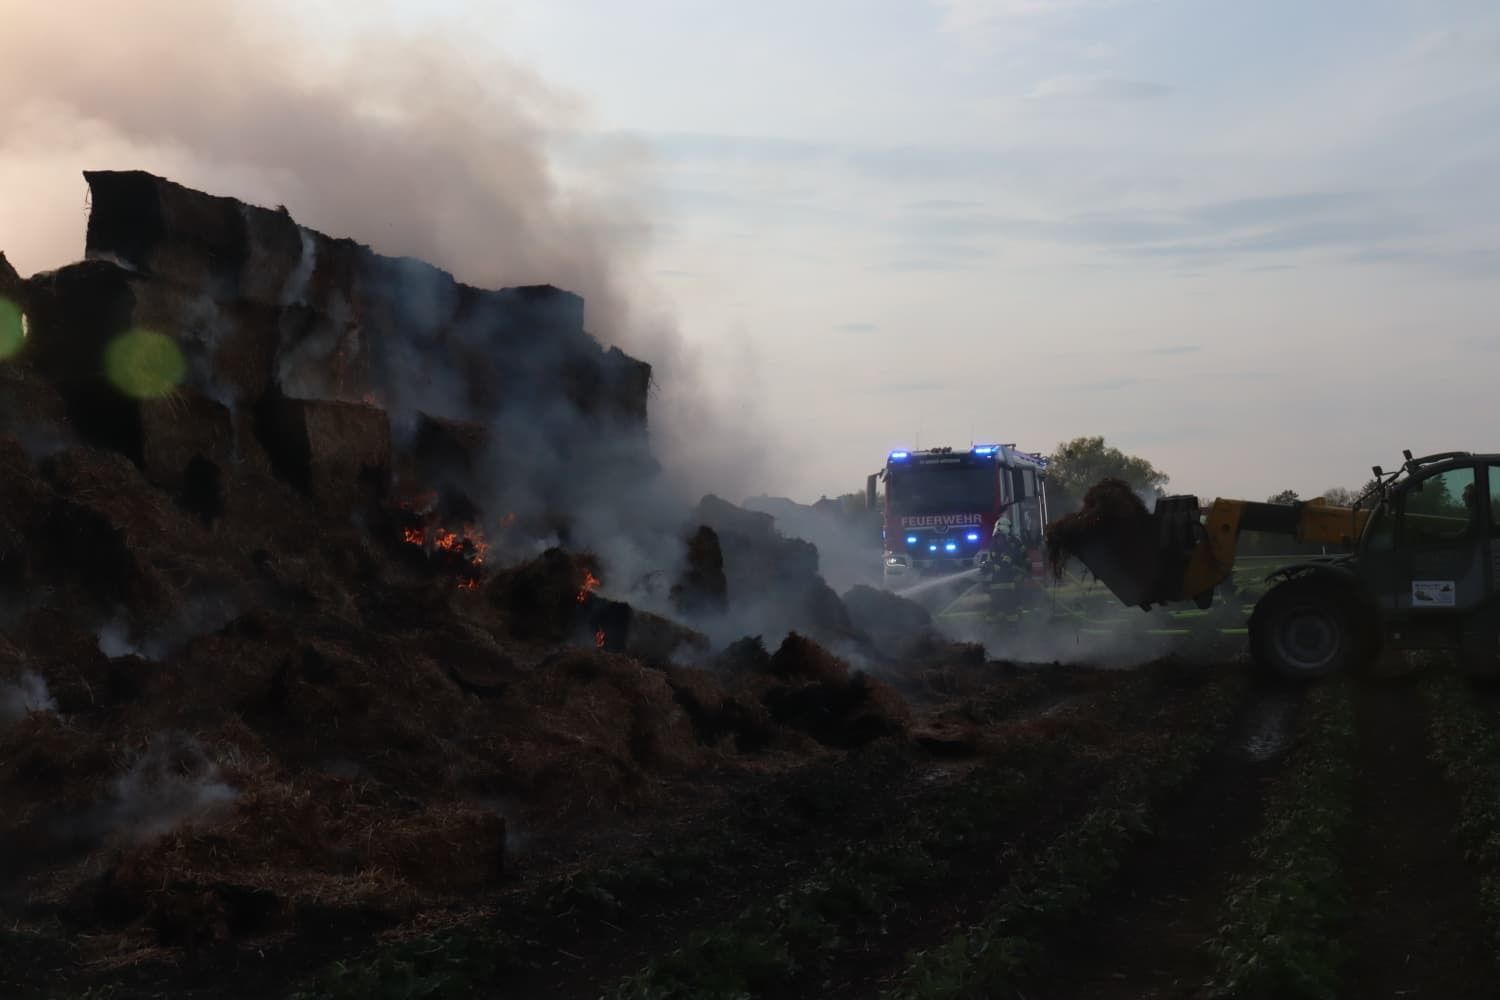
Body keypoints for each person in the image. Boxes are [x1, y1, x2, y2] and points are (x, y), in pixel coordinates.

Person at [981, 514, 1028, 623]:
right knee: (994, 608)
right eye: (998, 535)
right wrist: (985, 565)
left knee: (1011, 606)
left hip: (1010, 580)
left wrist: (995, 566)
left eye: (1001, 535)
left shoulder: (1012, 544)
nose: (999, 538)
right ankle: (991, 628)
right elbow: (990, 560)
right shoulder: (993, 544)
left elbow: (1007, 562)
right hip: (997, 582)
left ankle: (1014, 627)